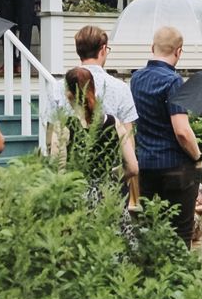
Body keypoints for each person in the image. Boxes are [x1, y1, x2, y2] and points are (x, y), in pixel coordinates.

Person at [129, 25, 202, 241]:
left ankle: (153, 273)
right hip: (174, 168)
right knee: (179, 233)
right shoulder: (173, 81)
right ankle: (177, 275)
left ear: (152, 47)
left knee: (151, 228)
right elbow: (182, 131)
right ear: (179, 51)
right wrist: (197, 156)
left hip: (146, 165)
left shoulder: (136, 79)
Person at [45, 64, 135, 205]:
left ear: (68, 95)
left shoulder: (62, 128)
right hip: (110, 203)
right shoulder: (113, 123)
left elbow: (58, 173)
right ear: (93, 89)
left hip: (78, 204)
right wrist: (110, 177)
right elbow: (133, 167)